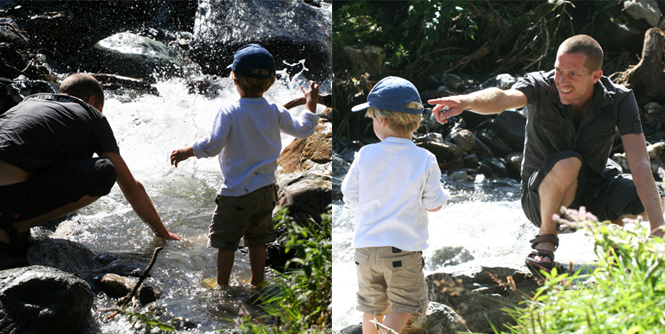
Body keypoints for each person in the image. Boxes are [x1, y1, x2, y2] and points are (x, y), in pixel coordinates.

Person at [428, 34, 665, 275]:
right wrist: (466, 101)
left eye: (573, 73)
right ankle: (545, 242)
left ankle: (611, 245)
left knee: (658, 197)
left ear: (596, 76)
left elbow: (640, 164)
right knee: (569, 162)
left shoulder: (619, 99)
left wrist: (658, 230)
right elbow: (503, 98)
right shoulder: (539, 86)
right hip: (541, 199)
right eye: (558, 70)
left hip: (593, 191)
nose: (562, 80)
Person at [169, 44, 320, 288]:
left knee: (227, 243)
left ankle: (222, 285)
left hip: (236, 193)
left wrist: (188, 151)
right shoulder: (274, 111)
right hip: (265, 192)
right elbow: (304, 129)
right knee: (257, 241)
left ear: (235, 79)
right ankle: (258, 283)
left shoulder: (229, 111)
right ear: (270, 81)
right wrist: (310, 103)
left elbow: (213, 145)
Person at [0, 73, 181, 250]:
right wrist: (163, 234)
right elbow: (133, 190)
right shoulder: (92, 115)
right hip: (7, 198)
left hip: (10, 187)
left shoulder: (30, 102)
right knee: (105, 171)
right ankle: (15, 228)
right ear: (92, 100)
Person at [341, 76, 449, 334]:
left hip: (365, 249)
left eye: (372, 119)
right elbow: (434, 204)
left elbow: (349, 195)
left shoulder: (365, 153)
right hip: (402, 251)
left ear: (383, 121)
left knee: (372, 307)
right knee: (404, 305)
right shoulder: (425, 158)